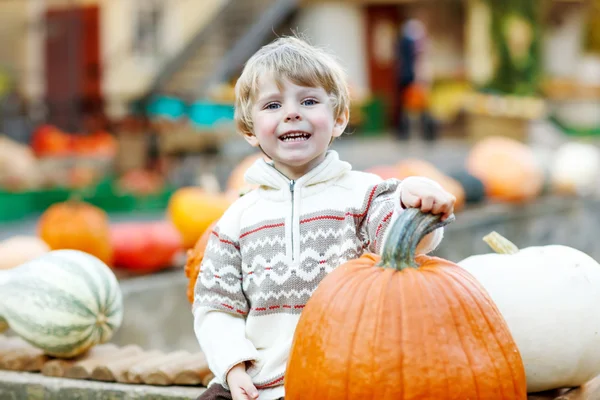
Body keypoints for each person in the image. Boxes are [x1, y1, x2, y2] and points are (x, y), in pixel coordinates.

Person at [193, 36, 455, 400]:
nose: (292, 112)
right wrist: (232, 366)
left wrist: (416, 199)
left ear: (339, 118)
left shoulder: (364, 195)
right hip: (255, 383)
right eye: (272, 104)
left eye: (309, 100)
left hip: (344, 377)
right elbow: (215, 305)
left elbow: (407, 242)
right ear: (249, 130)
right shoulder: (237, 219)